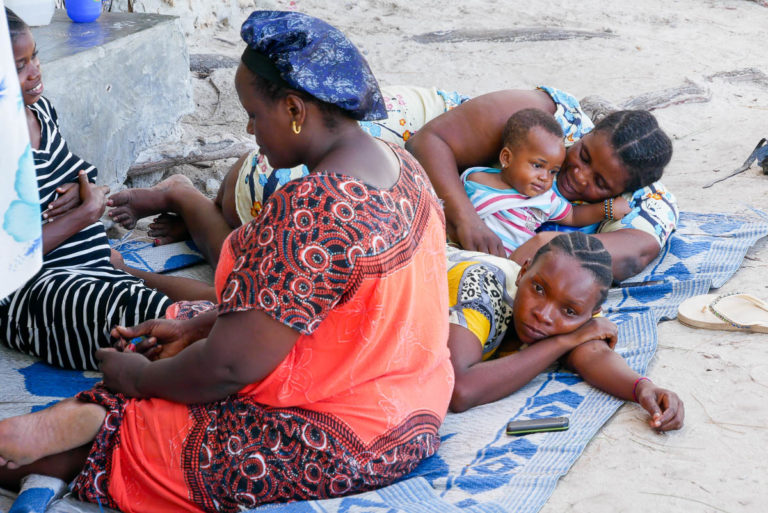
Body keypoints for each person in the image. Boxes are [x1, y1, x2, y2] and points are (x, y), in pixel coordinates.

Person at [0, 11, 454, 511]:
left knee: (180, 434)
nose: (249, 127)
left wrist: (136, 379)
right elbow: (333, 301)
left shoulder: (314, 209)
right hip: (414, 400)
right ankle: (81, 422)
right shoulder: (400, 163)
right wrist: (205, 326)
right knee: (179, 329)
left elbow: (229, 367)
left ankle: (72, 439)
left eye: (255, 114)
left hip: (353, 433)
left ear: (295, 109)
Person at [0, 8, 201, 370]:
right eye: (18, 66)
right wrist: (85, 214)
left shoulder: (41, 112)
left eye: (35, 57)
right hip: (37, 292)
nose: (35, 71)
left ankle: (245, 331)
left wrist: (86, 191)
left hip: (94, 264)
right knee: (139, 312)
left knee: (171, 308)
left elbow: (78, 179)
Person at [406, 86, 678, 281]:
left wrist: (548, 242)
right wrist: (467, 219)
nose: (579, 175)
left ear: (622, 190)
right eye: (583, 155)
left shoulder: (647, 203)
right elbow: (427, 142)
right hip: (405, 124)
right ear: (588, 133)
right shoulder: (545, 120)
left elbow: (635, 253)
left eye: (600, 182)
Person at [445, 232, 684, 431]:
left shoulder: (577, 300)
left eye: (569, 311)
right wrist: (565, 341)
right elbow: (459, 389)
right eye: (538, 289)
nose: (544, 314)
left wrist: (643, 388)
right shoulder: (478, 285)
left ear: (592, 314)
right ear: (522, 273)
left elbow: (592, 354)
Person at [461, 108, 630, 256]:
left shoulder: (546, 199)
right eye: (537, 165)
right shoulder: (475, 179)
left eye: (553, 171)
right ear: (507, 157)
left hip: (508, 268)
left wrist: (607, 209)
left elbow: (573, 215)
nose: (545, 177)